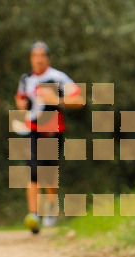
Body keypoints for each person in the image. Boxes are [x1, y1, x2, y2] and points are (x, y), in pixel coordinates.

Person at [14, 41, 83, 234]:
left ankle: (52, 206)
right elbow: (19, 97)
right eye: (35, 55)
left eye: (42, 55)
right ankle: (34, 215)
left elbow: (79, 100)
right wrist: (20, 104)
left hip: (53, 130)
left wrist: (58, 100)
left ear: (47, 58)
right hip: (31, 129)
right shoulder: (25, 78)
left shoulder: (58, 77)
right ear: (31, 58)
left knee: (49, 172)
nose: (38, 59)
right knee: (33, 171)